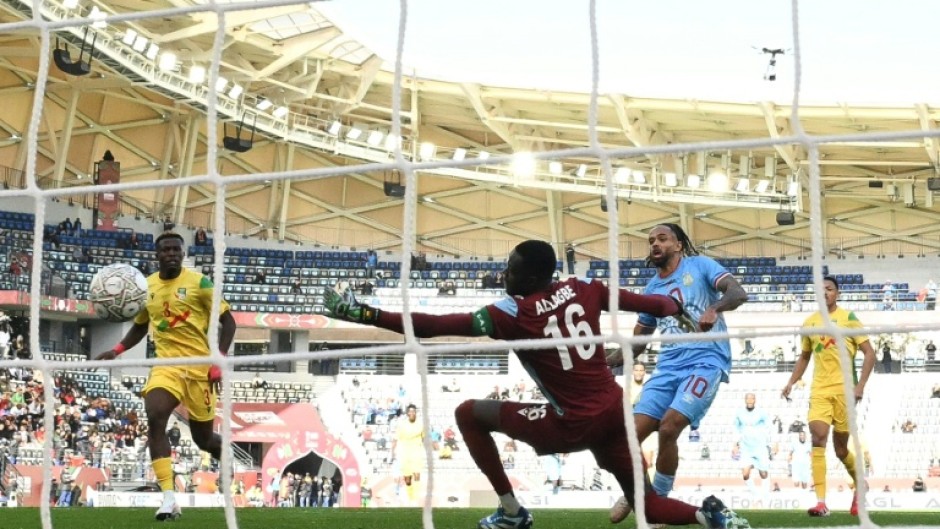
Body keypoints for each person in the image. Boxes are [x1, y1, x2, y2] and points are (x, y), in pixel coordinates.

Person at [323, 239, 743, 529]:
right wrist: (678, 308)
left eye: (511, 268)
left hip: (572, 424)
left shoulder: (511, 313)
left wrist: (364, 314)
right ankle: (708, 516)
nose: (505, 273)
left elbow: (431, 326)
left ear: (527, 278)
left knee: (468, 414)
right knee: (646, 505)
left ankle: (511, 512)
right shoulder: (586, 288)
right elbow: (654, 303)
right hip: (614, 415)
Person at [94, 231, 236, 521]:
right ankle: (169, 498)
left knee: (203, 440)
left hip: (200, 369)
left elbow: (228, 321)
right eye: (166, 250)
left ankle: (227, 455)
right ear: (156, 255)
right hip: (166, 366)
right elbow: (140, 325)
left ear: (183, 254)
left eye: (176, 250)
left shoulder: (201, 283)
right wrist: (117, 349)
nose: (171, 254)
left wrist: (219, 359)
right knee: (156, 415)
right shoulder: (145, 287)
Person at [615, 223, 748, 511]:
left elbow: (738, 293)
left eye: (662, 239)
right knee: (628, 437)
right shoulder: (652, 289)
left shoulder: (700, 266)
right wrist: (606, 360)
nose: (655, 244)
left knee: (668, 427)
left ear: (678, 245)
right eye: (651, 240)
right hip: (667, 367)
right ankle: (639, 492)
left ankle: (659, 502)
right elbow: (639, 341)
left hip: (706, 360)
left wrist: (714, 308)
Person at [781, 275, 876, 517]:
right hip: (820, 390)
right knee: (818, 438)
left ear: (837, 293)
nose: (825, 292)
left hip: (845, 391)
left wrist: (860, 386)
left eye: (830, 289)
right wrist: (791, 382)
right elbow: (804, 357)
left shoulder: (849, 319)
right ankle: (821, 502)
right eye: (820, 289)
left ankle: (860, 485)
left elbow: (869, 353)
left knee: (841, 450)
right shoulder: (809, 323)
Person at [734, 393, 771, 501]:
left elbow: (770, 427)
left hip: (760, 447)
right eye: (748, 399)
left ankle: (765, 494)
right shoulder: (739, 413)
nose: (750, 400)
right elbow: (735, 429)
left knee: (763, 474)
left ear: (755, 400)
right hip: (746, 447)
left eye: (752, 399)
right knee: (745, 474)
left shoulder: (761, 413)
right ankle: (756, 495)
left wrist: (774, 442)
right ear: (745, 400)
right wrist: (735, 444)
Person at [391, 403, 425, 505]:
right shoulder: (402, 425)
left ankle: (416, 499)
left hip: (417, 452)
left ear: (416, 413)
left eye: (413, 411)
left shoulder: (421, 424)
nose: (412, 413)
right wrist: (392, 452)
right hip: (405, 454)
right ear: (407, 413)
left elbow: (424, 438)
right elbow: (395, 439)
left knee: (417, 474)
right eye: (410, 411)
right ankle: (411, 497)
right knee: (408, 479)